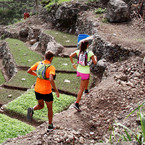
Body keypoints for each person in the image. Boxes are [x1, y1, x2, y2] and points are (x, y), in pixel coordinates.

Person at [27, 50, 59, 132]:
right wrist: (56, 90)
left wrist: (38, 75)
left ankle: (32, 109)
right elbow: (51, 79)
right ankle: (50, 126)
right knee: (49, 109)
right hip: (46, 91)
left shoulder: (38, 64)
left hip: (37, 89)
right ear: (51, 58)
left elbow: (29, 71)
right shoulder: (51, 67)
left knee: (41, 105)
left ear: (45, 57)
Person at [69, 40, 97, 112]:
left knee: (88, 77)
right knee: (81, 88)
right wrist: (95, 57)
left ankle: (86, 90)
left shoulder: (78, 51)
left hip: (79, 70)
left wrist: (73, 64)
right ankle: (77, 103)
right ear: (87, 45)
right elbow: (95, 62)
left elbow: (70, 56)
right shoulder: (90, 53)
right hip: (85, 72)